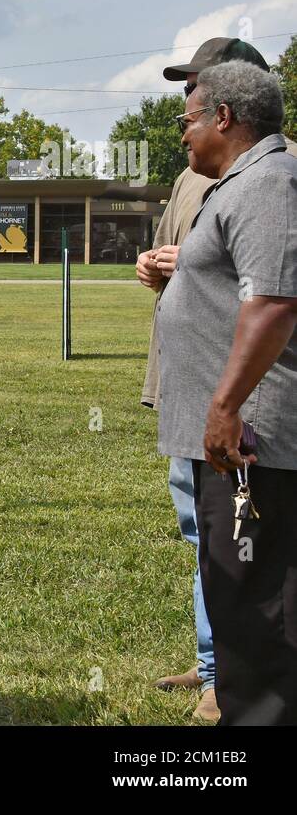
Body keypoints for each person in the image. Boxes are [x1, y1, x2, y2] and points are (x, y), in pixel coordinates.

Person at [136, 36, 279, 722]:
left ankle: (235, 684)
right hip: (204, 409)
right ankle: (221, 665)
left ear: (227, 109)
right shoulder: (214, 178)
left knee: (253, 576)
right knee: (220, 557)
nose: (181, 121)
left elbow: (273, 300)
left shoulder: (269, 182)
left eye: (191, 106)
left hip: (246, 423)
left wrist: (225, 407)